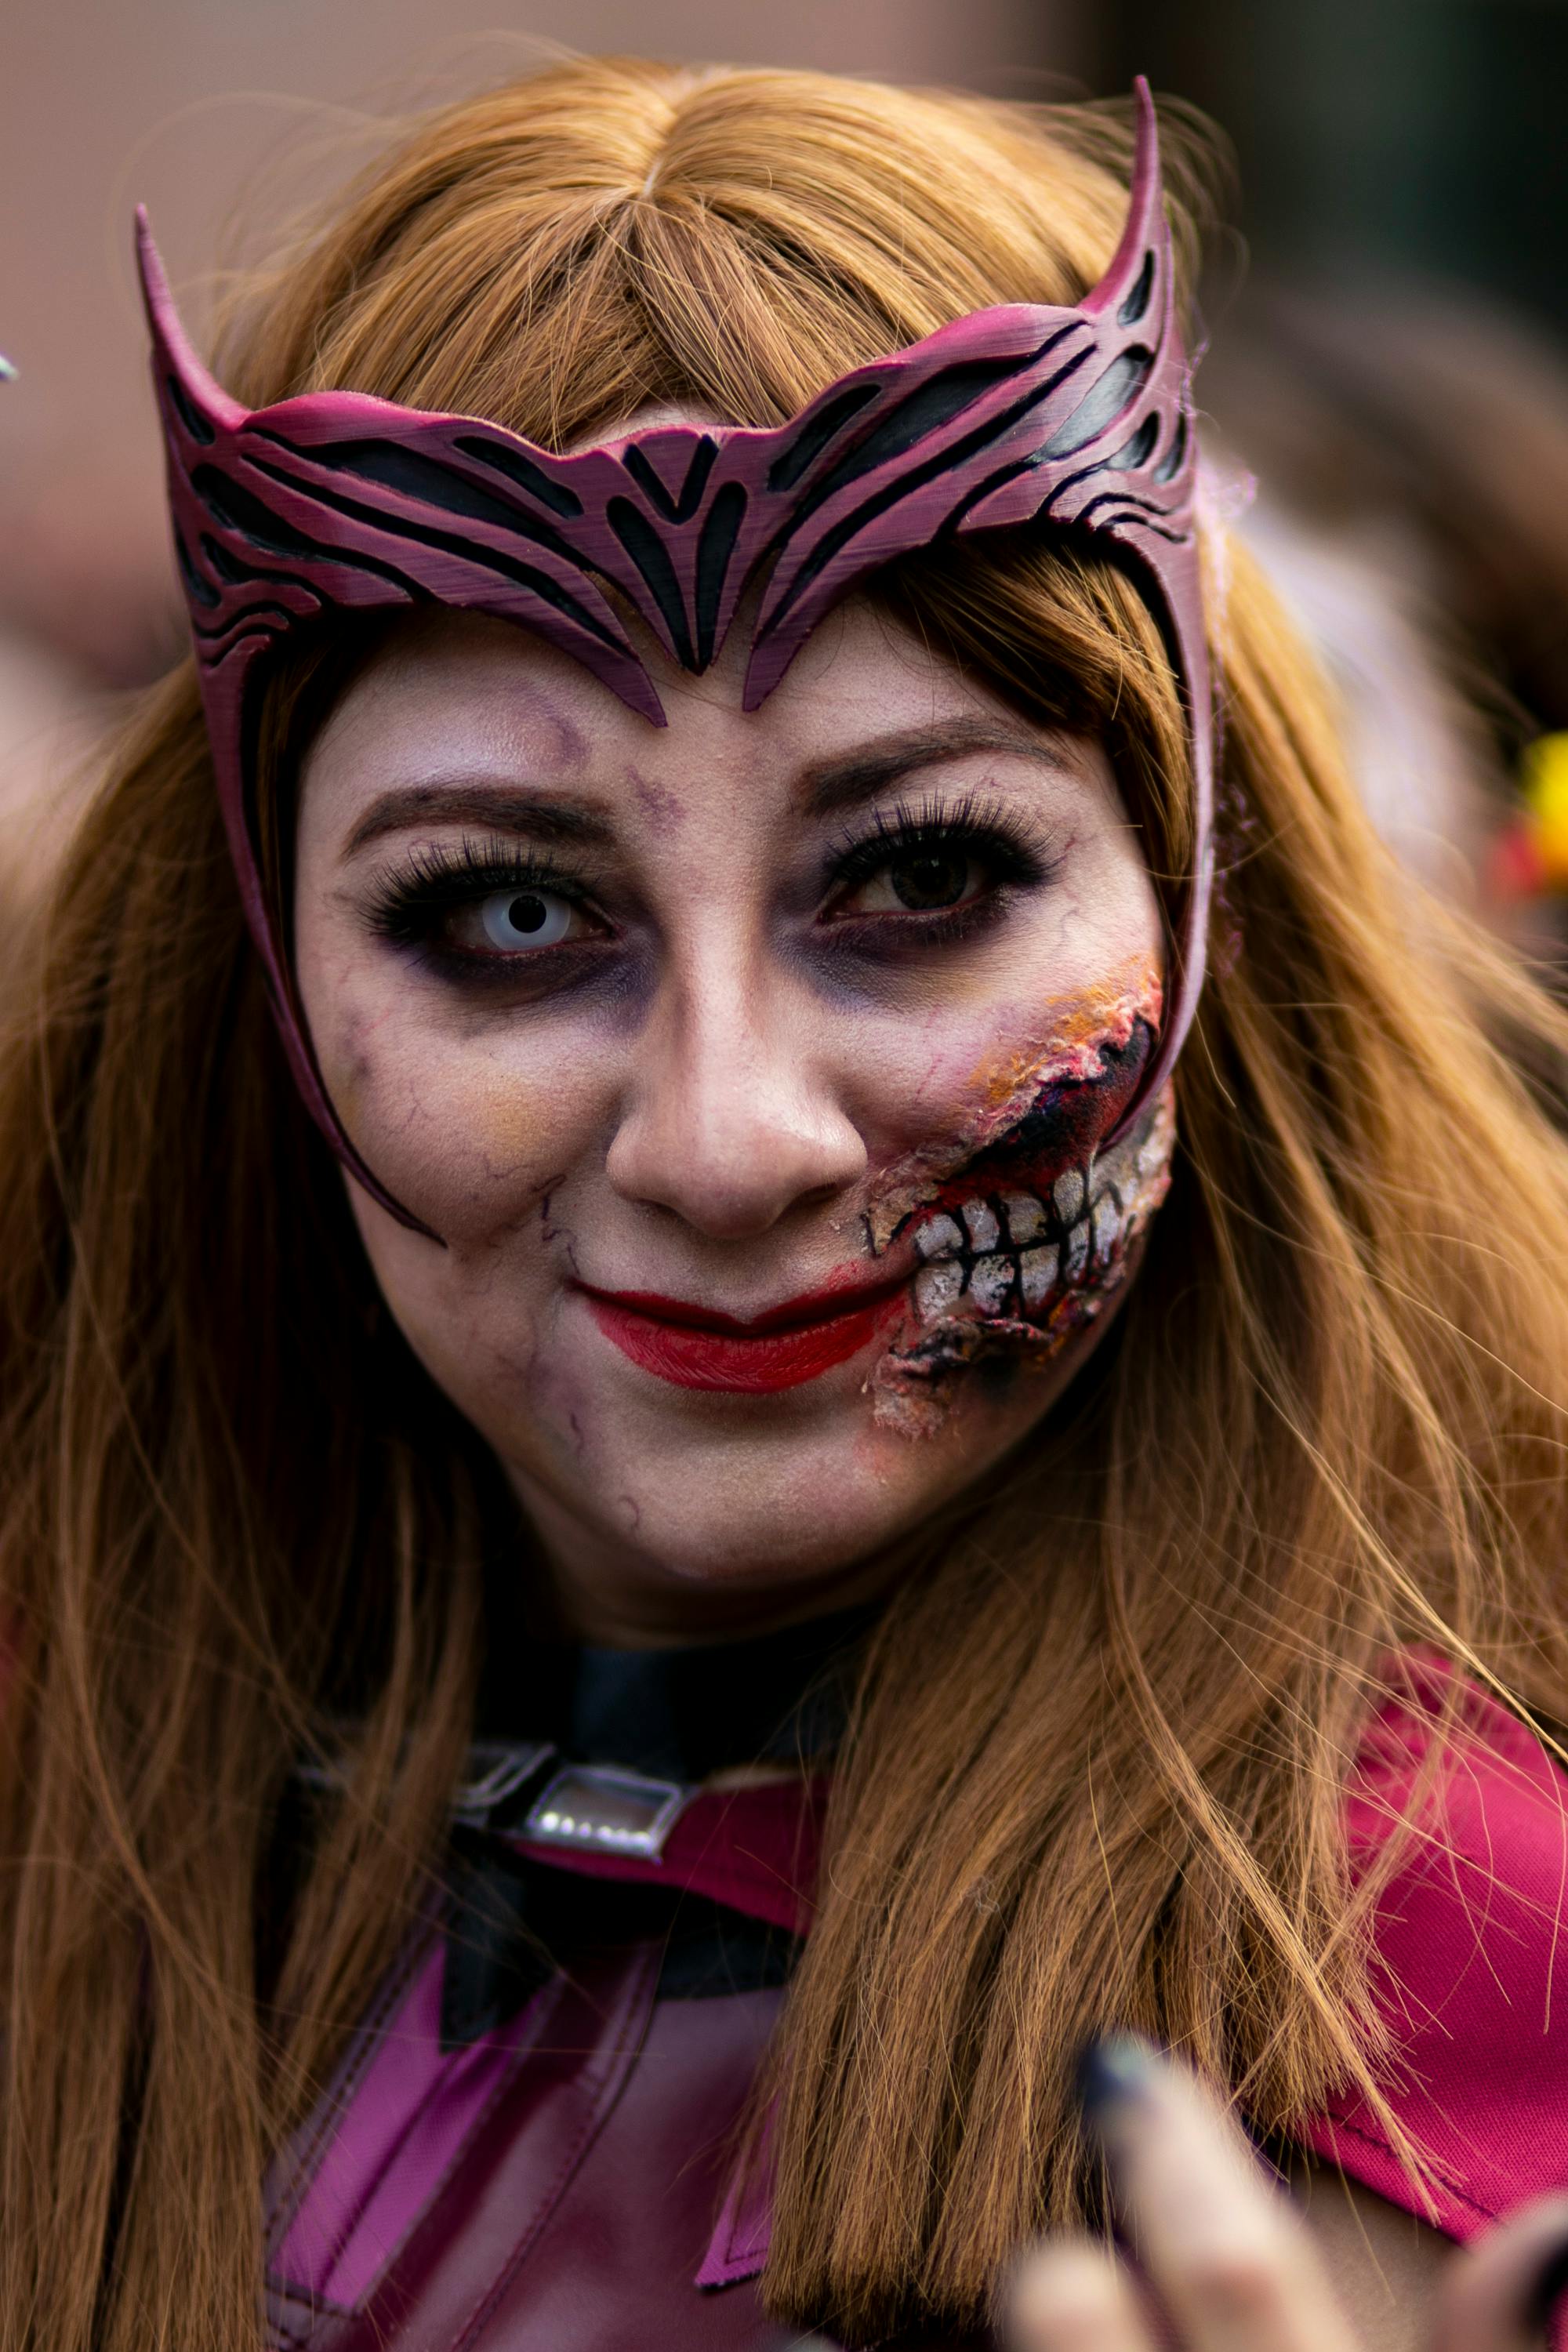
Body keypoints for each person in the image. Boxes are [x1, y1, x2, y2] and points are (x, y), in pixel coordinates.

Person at [3, 55, 1568, 2352]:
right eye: (510, 922)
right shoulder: (58, 1798)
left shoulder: (1471, 1976)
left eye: (925, 877)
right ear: (262, 978)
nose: (730, 1142)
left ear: (1218, 922)